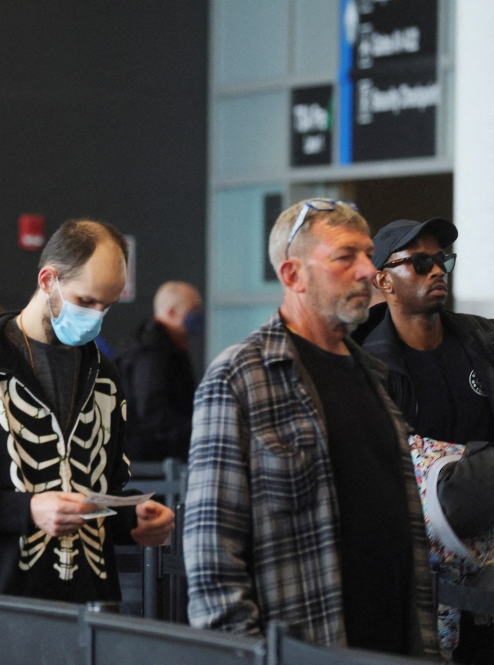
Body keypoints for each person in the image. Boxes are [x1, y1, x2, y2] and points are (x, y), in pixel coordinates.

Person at [184, 199, 437, 656]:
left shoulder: (374, 375)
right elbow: (212, 564)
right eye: (345, 257)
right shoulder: (240, 377)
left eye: (366, 254)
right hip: (307, 651)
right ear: (293, 276)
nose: (366, 270)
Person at [0, 219, 175, 602]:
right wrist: (25, 509)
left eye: (107, 306)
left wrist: (135, 517)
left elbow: (104, 490)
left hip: (90, 599)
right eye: (86, 301)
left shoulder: (104, 378)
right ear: (48, 279)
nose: (96, 317)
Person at [363, 218, 494, 661]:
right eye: (420, 262)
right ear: (384, 280)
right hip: (417, 583)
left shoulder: (482, 340)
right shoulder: (365, 367)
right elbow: (440, 494)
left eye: (441, 260)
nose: (436, 270)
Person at [116, 281, 202, 462]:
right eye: (194, 309)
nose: (198, 315)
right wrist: (198, 431)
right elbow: (152, 411)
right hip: (150, 463)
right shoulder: (152, 350)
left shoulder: (168, 345)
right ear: (171, 312)